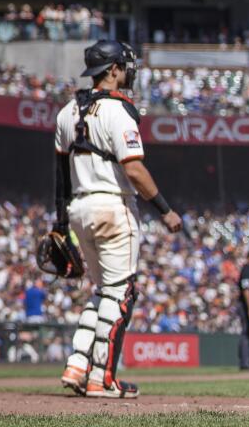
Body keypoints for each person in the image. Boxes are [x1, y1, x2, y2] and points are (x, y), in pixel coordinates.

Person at [53, 39, 183, 399]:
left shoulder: (67, 111)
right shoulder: (118, 111)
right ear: (112, 70)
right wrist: (165, 209)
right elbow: (135, 170)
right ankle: (102, 379)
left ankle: (78, 366)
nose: (128, 70)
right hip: (113, 206)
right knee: (122, 292)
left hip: (79, 209)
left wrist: (60, 224)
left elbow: (61, 176)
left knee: (103, 291)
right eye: (125, 65)